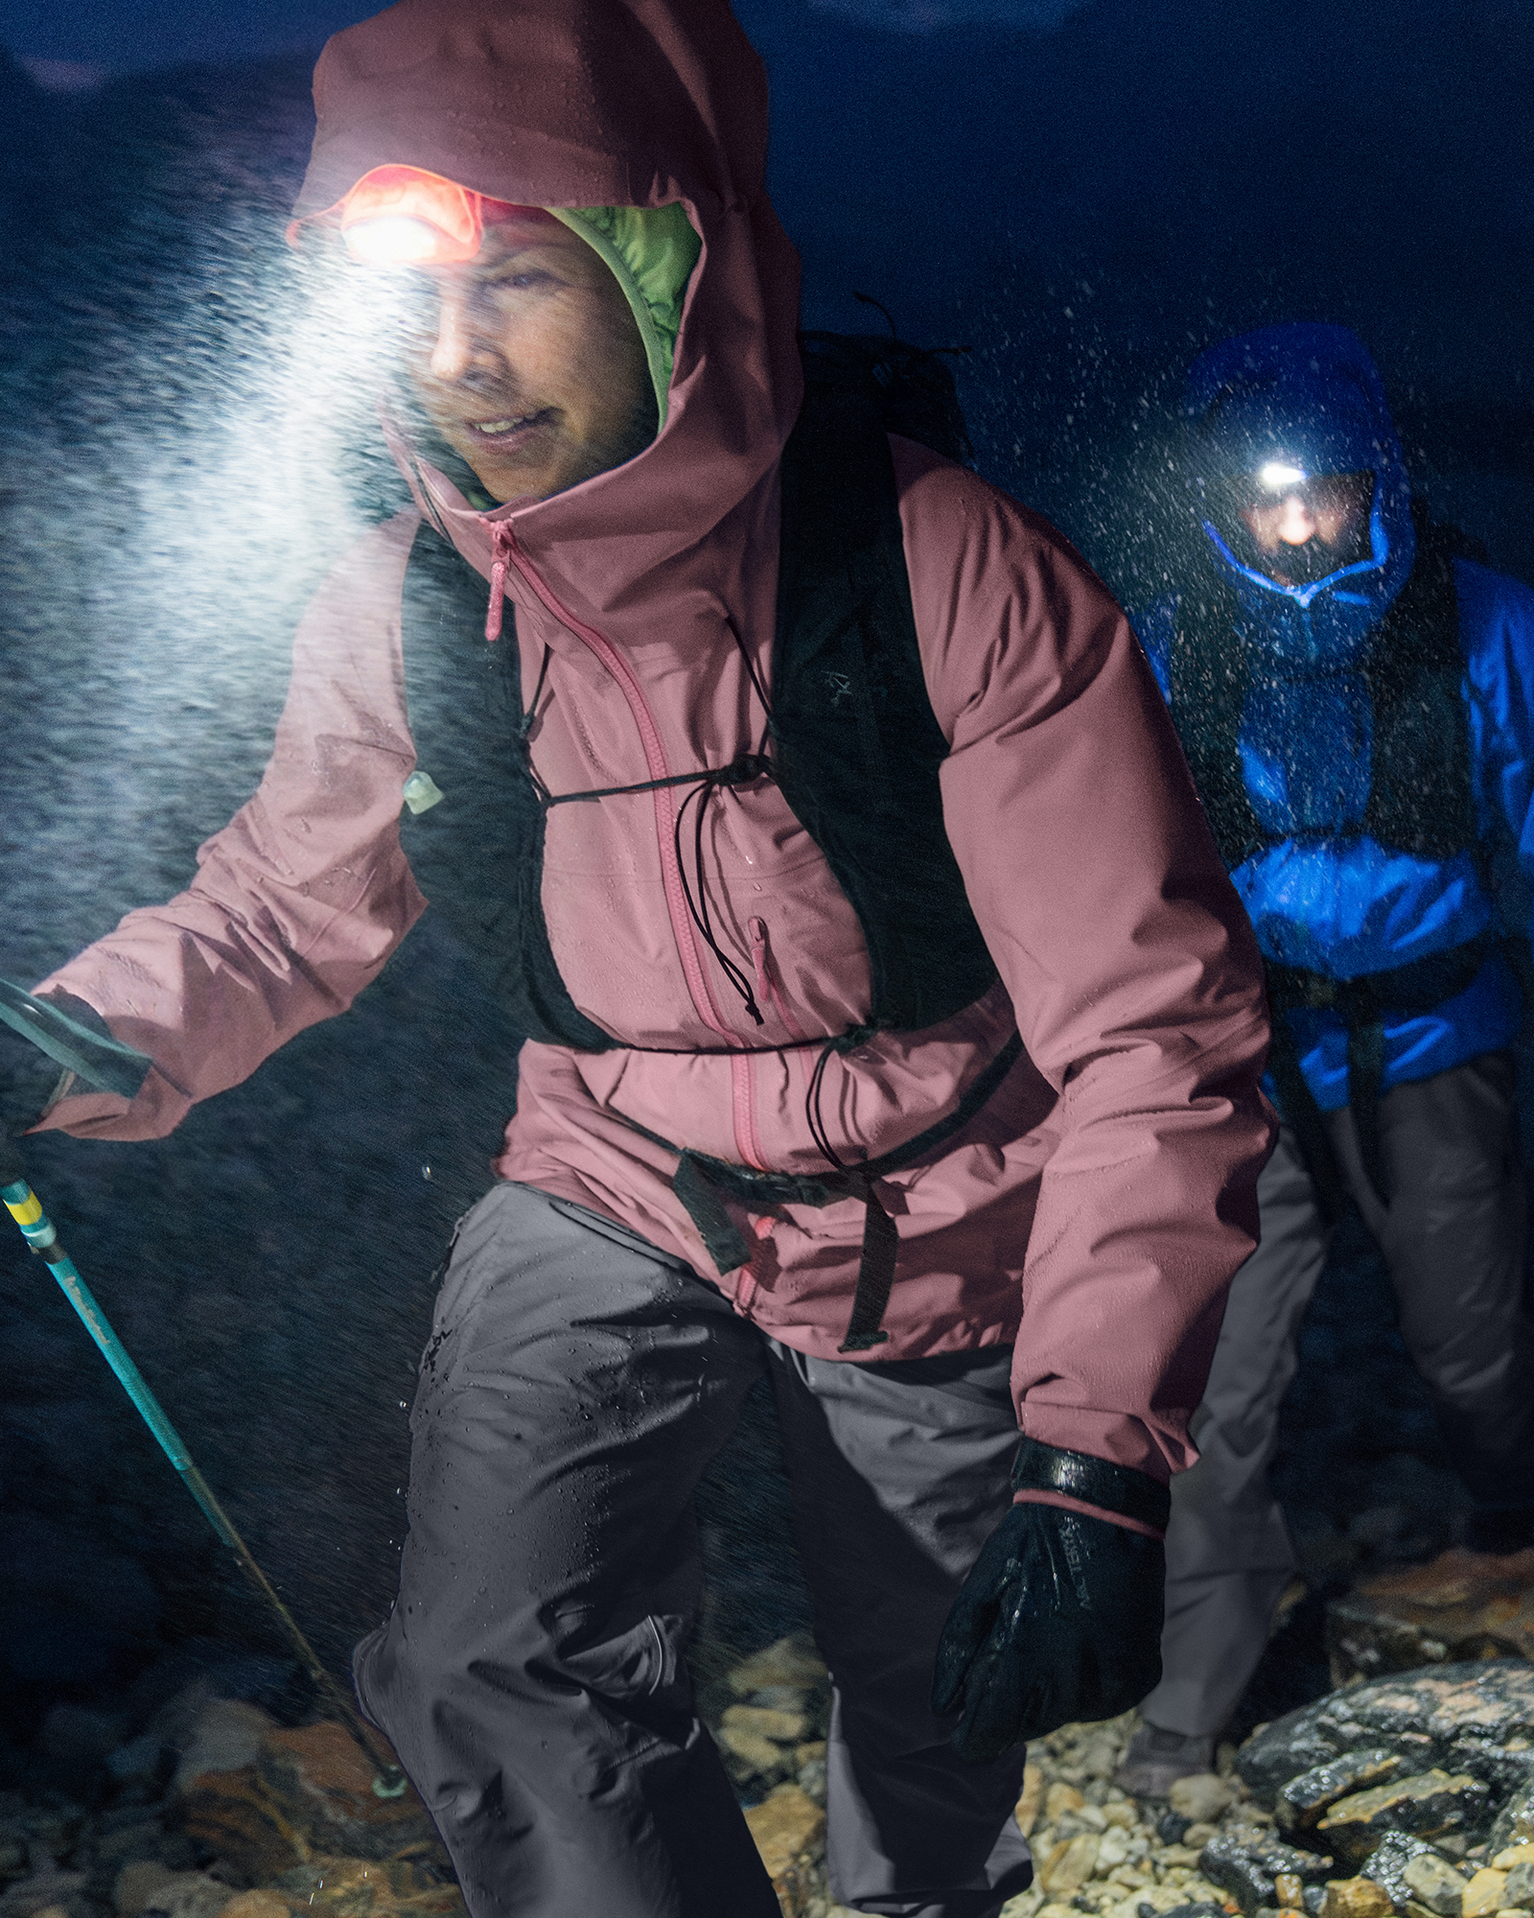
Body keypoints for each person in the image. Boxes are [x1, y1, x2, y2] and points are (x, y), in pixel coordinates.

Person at [1, 2, 1273, 1911]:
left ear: (671, 266)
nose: (455, 362)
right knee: (493, 1655)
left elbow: (1150, 1031)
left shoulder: (938, 565)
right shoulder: (416, 597)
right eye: (406, 310)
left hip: (940, 1191)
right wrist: (71, 1029)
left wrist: (1094, 1457)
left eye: (517, 279)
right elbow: (283, 899)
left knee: (936, 1695)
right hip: (604, 1167)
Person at [1116, 321, 1534, 1797]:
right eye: (1266, 500)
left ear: (1376, 485)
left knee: (1470, 1345)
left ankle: (1506, 1530)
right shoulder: (1174, 647)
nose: (1295, 530)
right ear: (1224, 504)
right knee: (1217, 1377)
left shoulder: (1488, 628)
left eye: (1324, 496)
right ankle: (1188, 1699)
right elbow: (1125, 873)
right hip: (1249, 1056)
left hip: (1434, 1039)